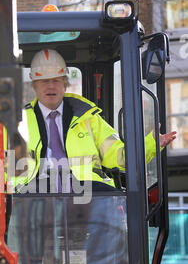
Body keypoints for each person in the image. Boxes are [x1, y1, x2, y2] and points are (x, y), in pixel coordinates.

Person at [14, 48, 176, 194]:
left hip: (86, 190)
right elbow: (3, 167)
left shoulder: (89, 119)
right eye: (44, 81)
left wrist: (150, 144)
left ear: (64, 84)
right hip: (33, 192)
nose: (50, 86)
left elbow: (118, 157)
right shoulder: (17, 123)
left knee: (111, 202)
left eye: (56, 80)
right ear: (34, 85)